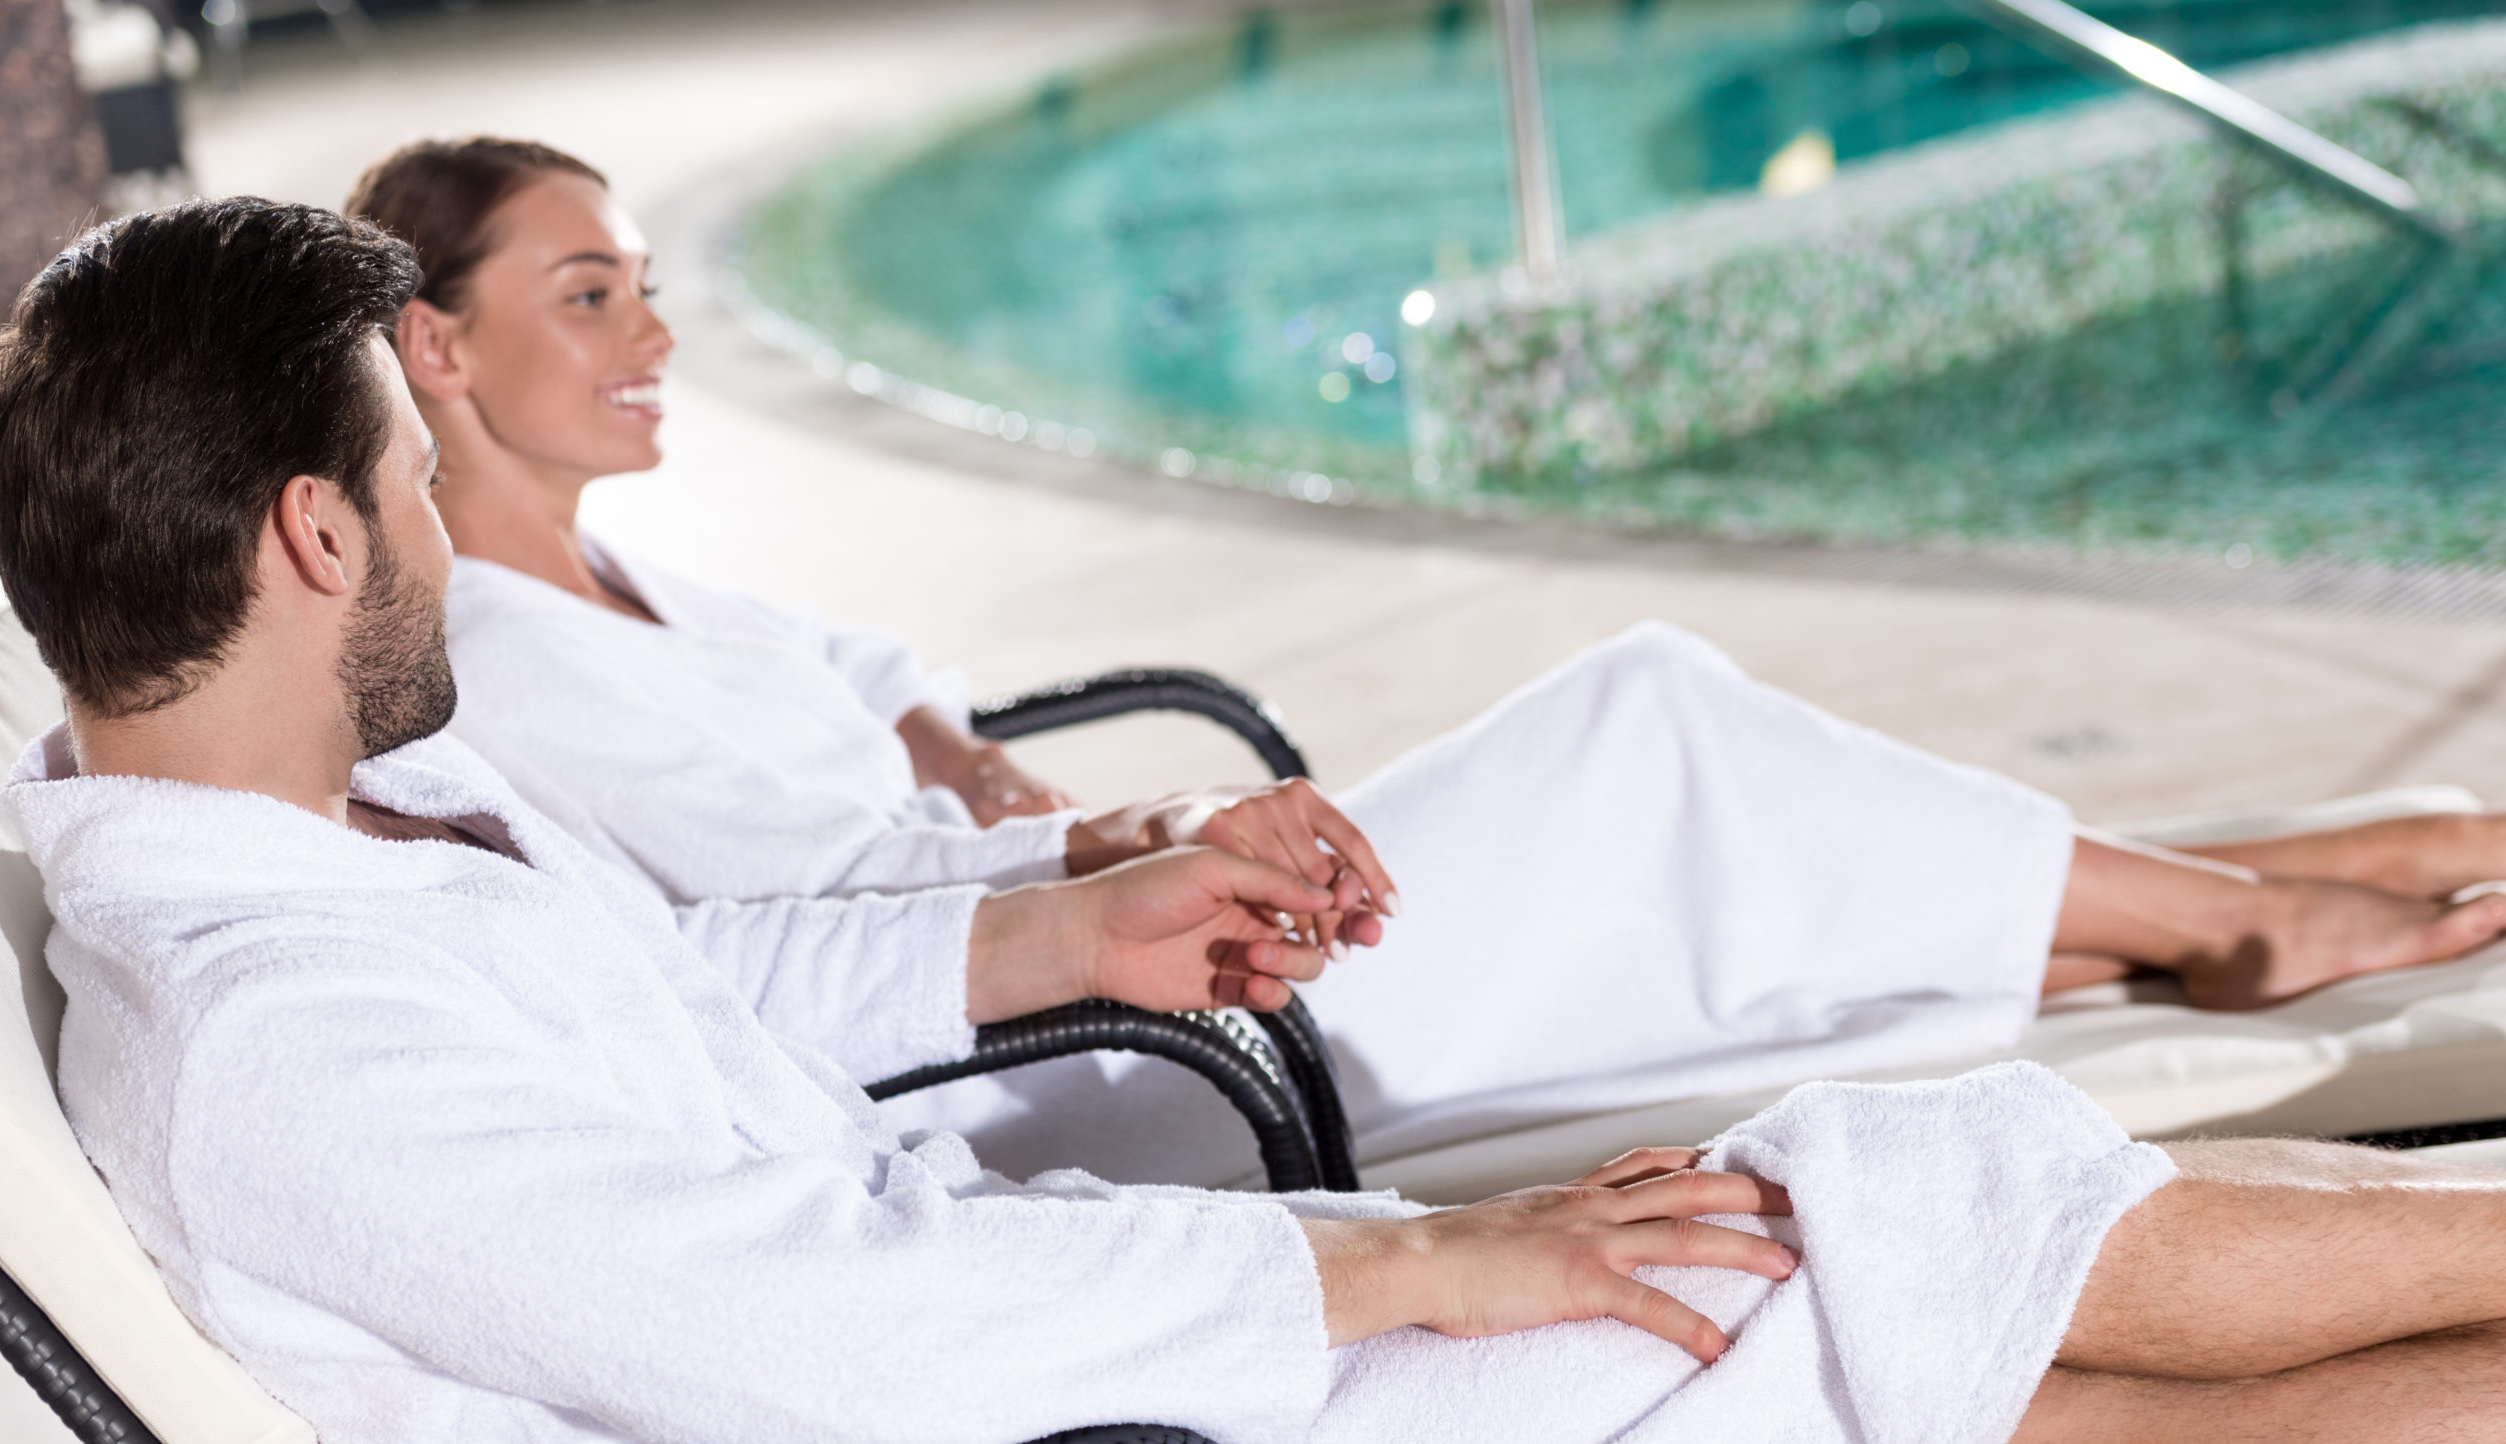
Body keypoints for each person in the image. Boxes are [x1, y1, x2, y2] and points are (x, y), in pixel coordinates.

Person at [0, 196, 2506, 1444]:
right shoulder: (276, 1049)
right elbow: (811, 1334)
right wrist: (1411, 1268)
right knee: (1804, 1217)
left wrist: (1056, 925)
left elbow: (683, 1016)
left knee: (1909, 1341)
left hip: (989, 1413)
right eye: (412, 485)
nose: (446, 535)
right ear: (316, 536)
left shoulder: (332, 831)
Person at [350, 137, 2506, 1185]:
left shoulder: (640, 592)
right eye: (588, 296)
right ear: (431, 343)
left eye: (644, 284)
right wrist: (1118, 830)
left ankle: (2261, 899)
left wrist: (991, 785)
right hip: (1085, 1071)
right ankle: (2242, 912)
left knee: (1700, 837)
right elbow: (804, 926)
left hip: (1097, 932)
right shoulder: (503, 671)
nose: (654, 337)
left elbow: (871, 674)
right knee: (1642, 731)